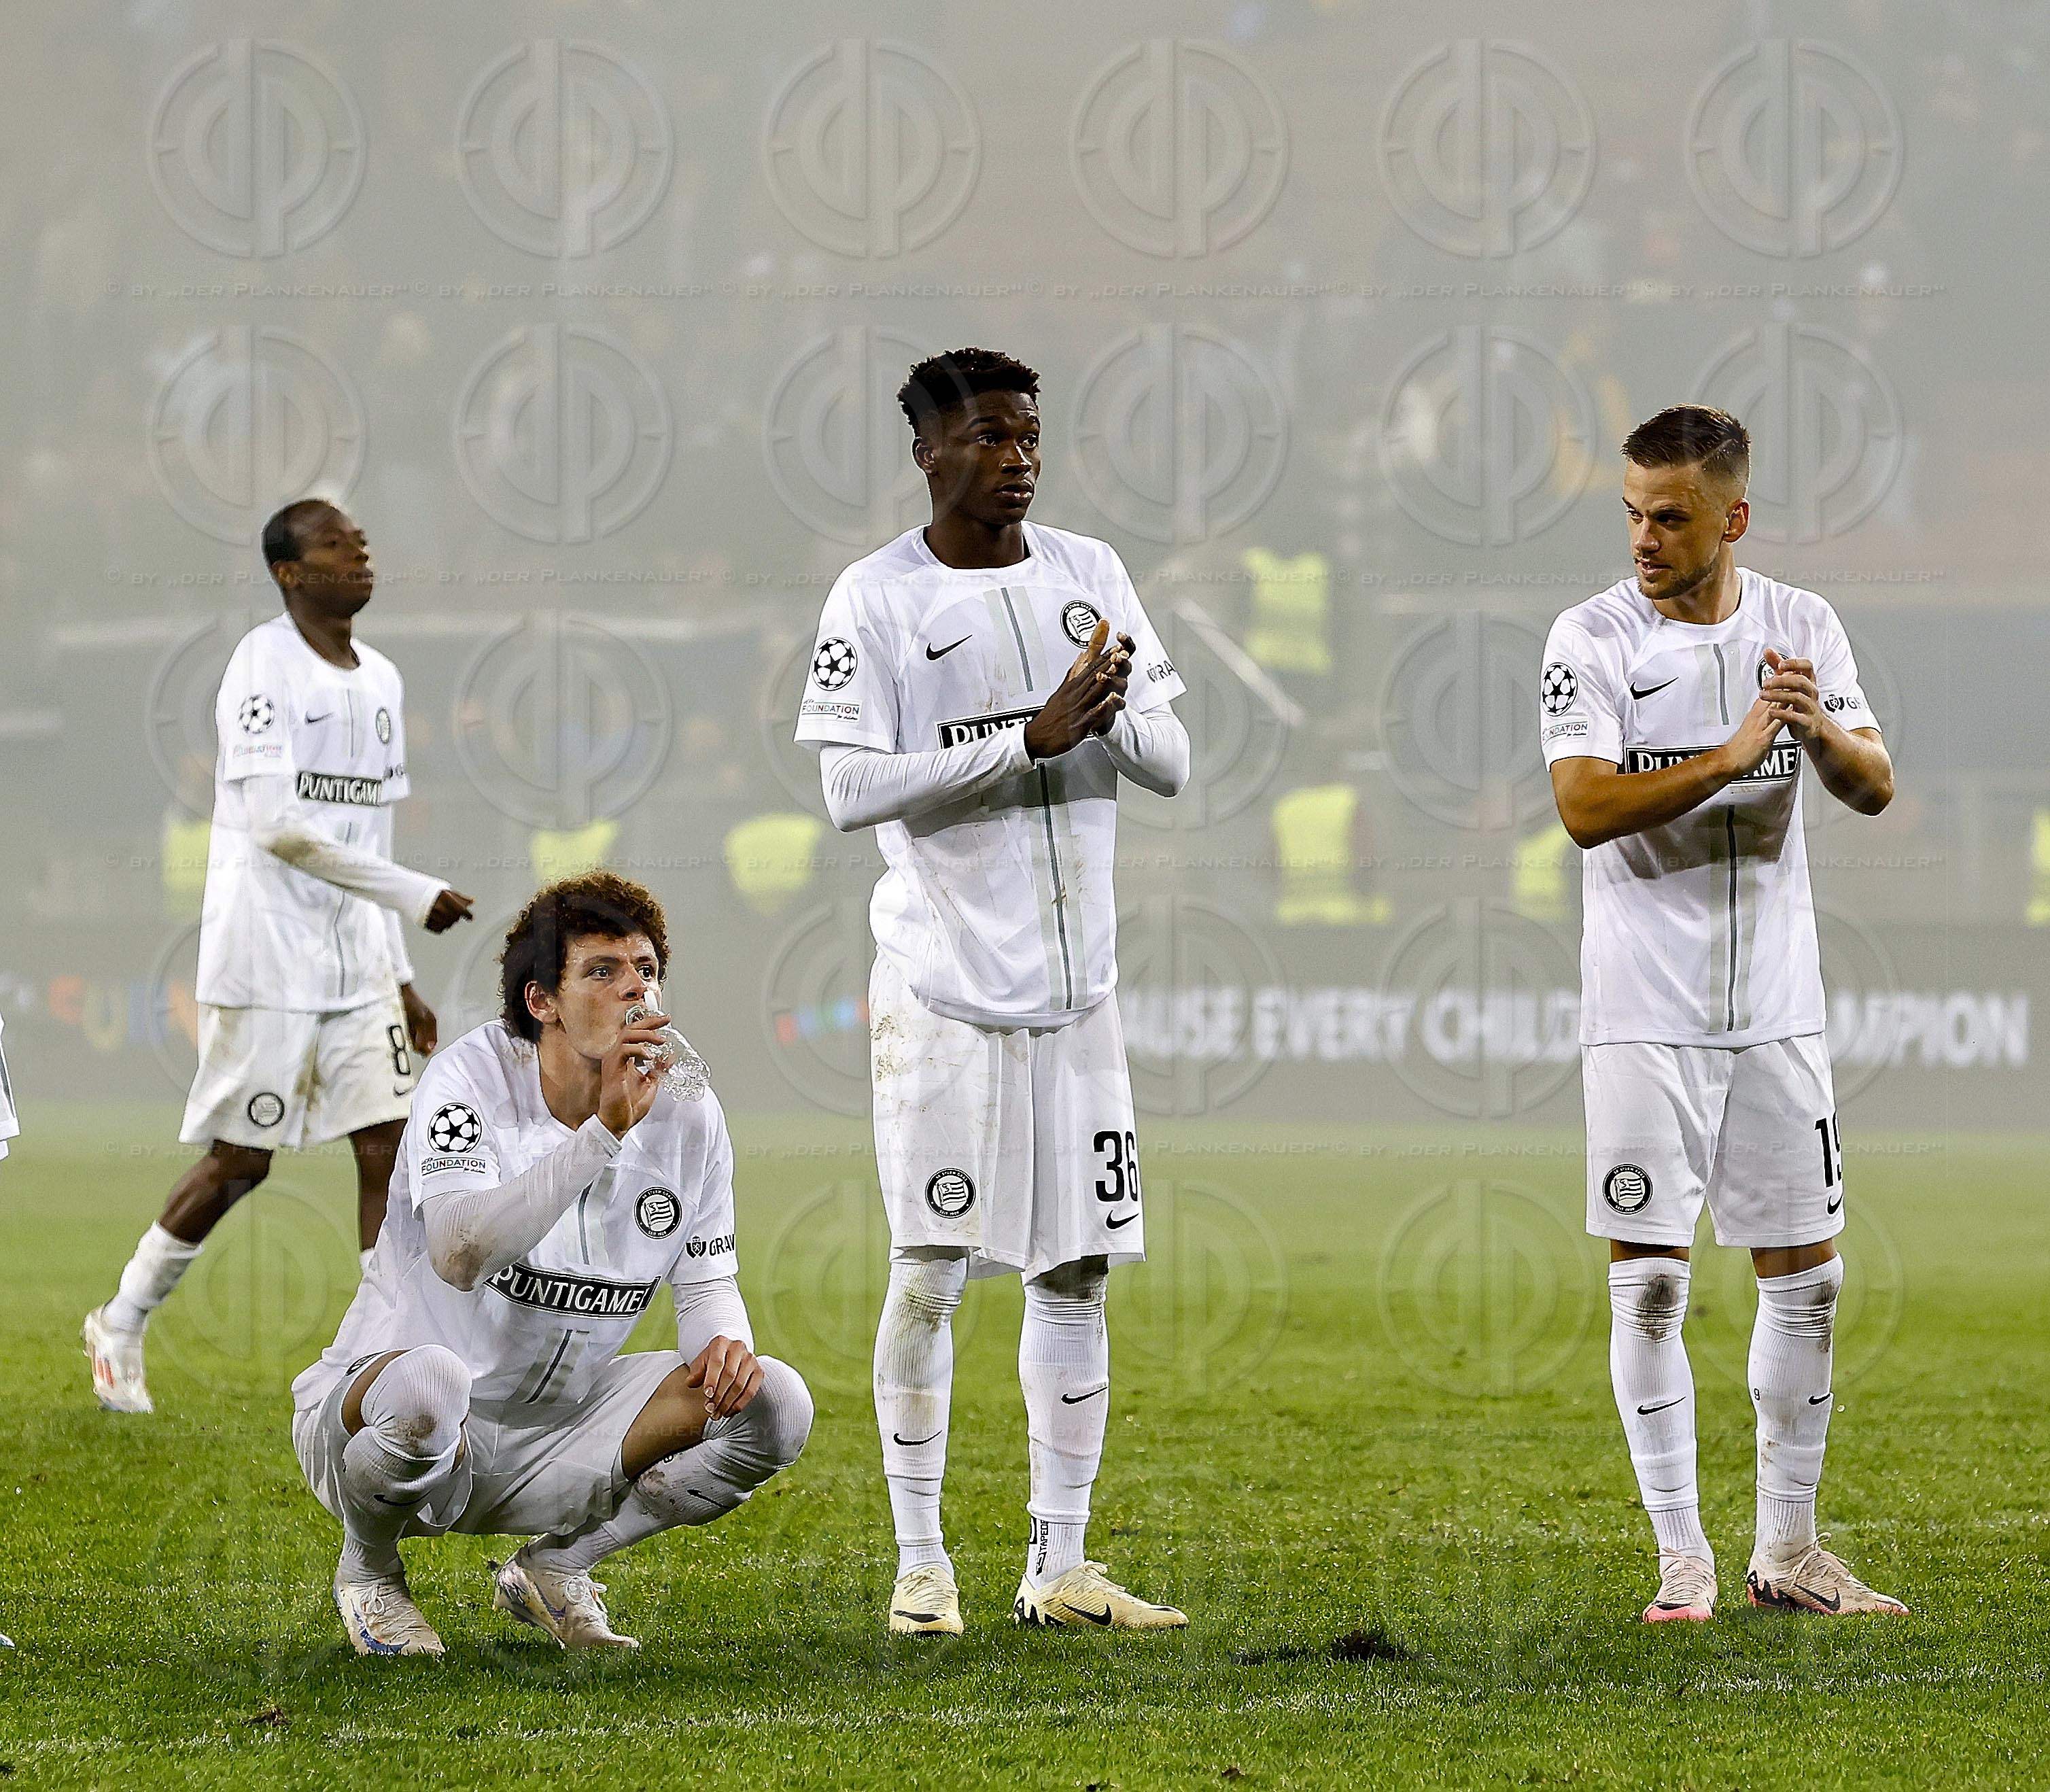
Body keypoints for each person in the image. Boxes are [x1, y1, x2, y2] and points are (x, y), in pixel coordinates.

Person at [795, 346, 1192, 1635]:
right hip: (946, 991)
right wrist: (1024, 737)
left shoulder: (1092, 575)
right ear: (927, 451)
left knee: (1076, 1272)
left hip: (1083, 998)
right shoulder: (877, 599)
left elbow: (1173, 761)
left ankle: (1058, 1567)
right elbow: (850, 790)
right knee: (929, 1273)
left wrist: (1105, 714)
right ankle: (922, 1567)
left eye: (1028, 434)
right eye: (986, 436)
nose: (1015, 456)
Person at [1540, 405, 1905, 1623]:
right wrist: (1738, 745)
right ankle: (1681, 1556)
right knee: (1649, 1285)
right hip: (1645, 1013)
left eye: (1671, 516)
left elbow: (1872, 782)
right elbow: (1586, 808)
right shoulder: (1588, 637)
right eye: (1633, 513)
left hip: (1778, 1012)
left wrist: (1811, 732)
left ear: (1731, 518)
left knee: (1808, 1283)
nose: (1644, 536)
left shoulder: (1802, 625)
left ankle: (1790, 1551)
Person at [290, 873, 812, 1655]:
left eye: (645, 967)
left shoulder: (688, 1108)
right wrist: (599, 1135)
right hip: (404, 1417)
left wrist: (724, 1346)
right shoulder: (468, 1082)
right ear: (543, 1001)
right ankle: (369, 1572)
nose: (634, 987)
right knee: (433, 1382)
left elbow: (706, 1278)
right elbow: (459, 1255)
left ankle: (559, 1564)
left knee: (777, 1400)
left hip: (564, 1427)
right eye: (602, 970)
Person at [84, 500, 474, 1414]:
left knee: (388, 1150)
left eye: (366, 543)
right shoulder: (262, 665)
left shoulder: (381, 677)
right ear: (292, 573)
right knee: (242, 1162)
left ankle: (389, 1351)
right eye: (340, 545)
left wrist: (402, 972)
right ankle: (124, 1318)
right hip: (266, 963)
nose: (362, 555)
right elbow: (274, 827)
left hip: (357, 969)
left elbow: (362, 825)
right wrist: (412, 894)